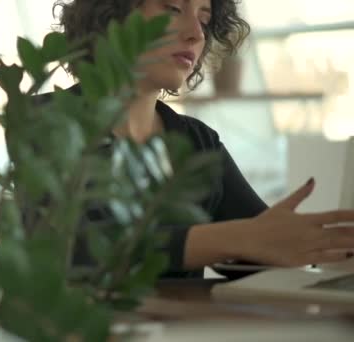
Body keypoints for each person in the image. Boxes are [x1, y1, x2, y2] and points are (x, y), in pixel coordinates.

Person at [53, 0, 354, 277]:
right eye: (172, 9)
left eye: (204, 19)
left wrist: (328, 248)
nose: (196, 34)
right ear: (110, 16)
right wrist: (238, 238)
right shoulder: (41, 122)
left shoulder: (197, 141)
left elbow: (263, 248)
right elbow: (80, 251)